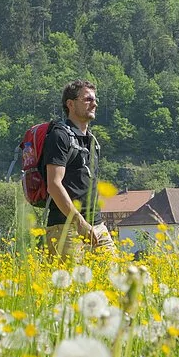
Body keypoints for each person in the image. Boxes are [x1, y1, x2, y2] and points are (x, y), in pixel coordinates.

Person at [44, 79, 114, 258]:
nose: (94, 103)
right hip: (65, 227)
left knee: (117, 280)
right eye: (88, 99)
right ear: (70, 104)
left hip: (96, 225)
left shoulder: (91, 140)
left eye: (94, 99)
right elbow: (53, 184)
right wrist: (80, 223)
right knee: (70, 285)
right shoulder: (59, 136)